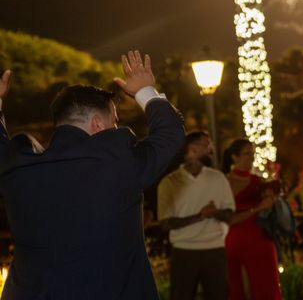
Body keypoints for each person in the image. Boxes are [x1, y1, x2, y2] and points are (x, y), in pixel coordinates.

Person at [0, 50, 185, 299]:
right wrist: (144, 89)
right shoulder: (119, 163)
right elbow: (170, 134)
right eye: (115, 121)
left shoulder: (17, 167)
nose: (115, 127)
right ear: (98, 123)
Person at [157, 130, 236, 300]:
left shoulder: (218, 178)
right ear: (192, 149)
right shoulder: (170, 182)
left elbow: (230, 215)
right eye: (206, 145)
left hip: (215, 251)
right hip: (184, 251)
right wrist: (200, 216)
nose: (211, 150)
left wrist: (216, 213)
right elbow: (166, 223)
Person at [223, 138, 281, 300]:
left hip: (259, 239)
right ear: (234, 157)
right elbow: (228, 219)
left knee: (265, 287)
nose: (251, 157)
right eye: (247, 154)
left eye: (252, 154)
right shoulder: (225, 181)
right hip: (234, 239)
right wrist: (257, 208)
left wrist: (270, 199)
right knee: (236, 288)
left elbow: (268, 209)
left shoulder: (258, 182)